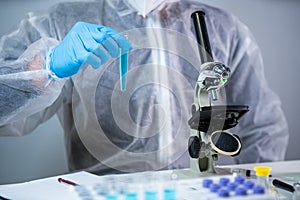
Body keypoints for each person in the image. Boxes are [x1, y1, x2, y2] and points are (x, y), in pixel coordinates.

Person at [0, 0, 289, 175]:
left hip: (202, 189)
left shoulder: (221, 27)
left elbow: (261, 129)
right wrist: (46, 66)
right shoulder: (61, 24)